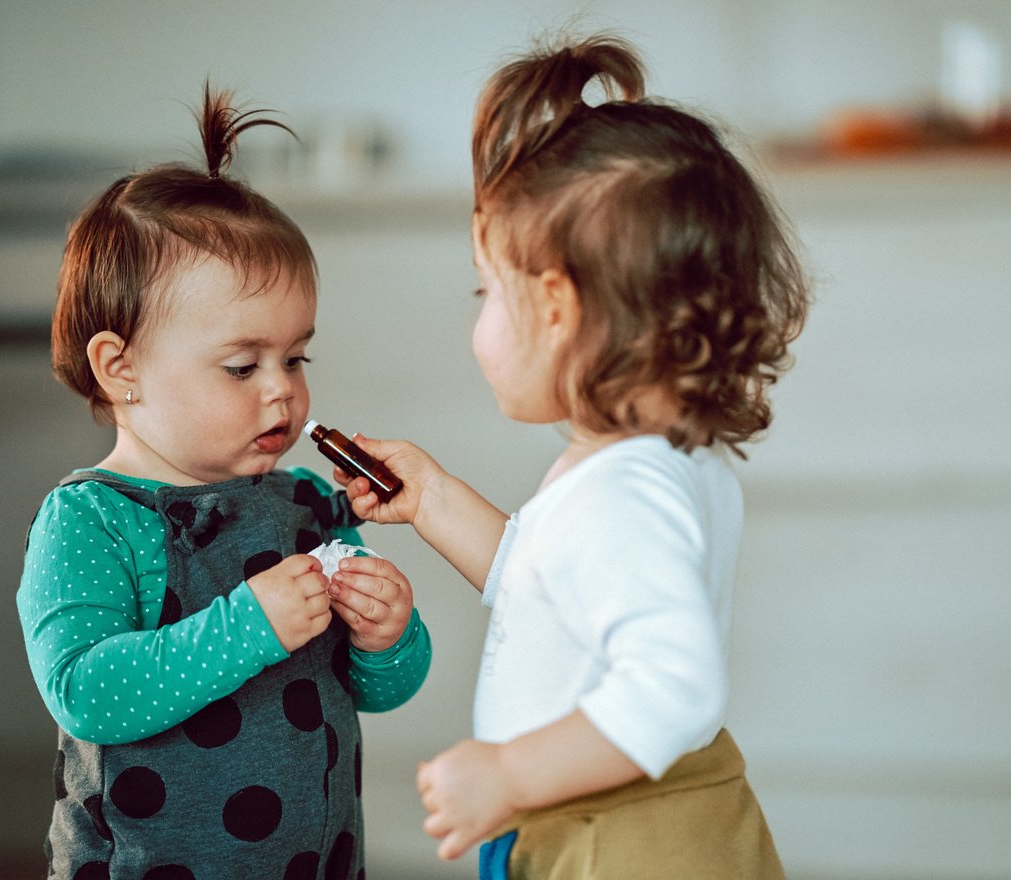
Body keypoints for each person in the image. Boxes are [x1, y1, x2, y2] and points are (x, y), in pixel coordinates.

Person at [334, 33, 807, 880]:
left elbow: (674, 686)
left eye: (487, 292)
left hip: (620, 838)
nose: (478, 319)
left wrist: (510, 772)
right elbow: (551, 590)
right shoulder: (654, 463)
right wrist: (433, 499)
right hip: (627, 821)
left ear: (555, 305)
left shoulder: (622, 490)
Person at [16, 84, 431, 880]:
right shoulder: (90, 521)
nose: (280, 388)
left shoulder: (307, 502)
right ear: (121, 368)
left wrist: (388, 637)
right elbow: (87, 692)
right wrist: (251, 625)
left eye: (295, 358)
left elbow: (380, 690)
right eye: (243, 366)